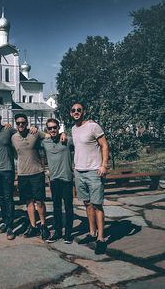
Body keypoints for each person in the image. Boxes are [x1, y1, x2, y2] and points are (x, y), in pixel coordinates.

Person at [70, 102, 109, 255]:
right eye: (73, 110)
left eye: (79, 110)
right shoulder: (73, 129)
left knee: (97, 205)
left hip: (94, 172)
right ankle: (92, 233)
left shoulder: (93, 126)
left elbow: (104, 145)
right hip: (79, 172)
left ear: (84, 112)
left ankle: (101, 239)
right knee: (87, 204)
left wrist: (104, 165)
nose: (76, 112)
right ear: (70, 113)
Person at [11, 113, 51, 241]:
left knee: (39, 201)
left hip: (37, 172)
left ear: (27, 123)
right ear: (15, 124)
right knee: (28, 202)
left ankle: (43, 225)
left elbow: (49, 136)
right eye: (18, 123)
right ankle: (33, 226)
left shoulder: (35, 133)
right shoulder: (13, 137)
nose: (21, 125)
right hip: (23, 174)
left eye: (23, 123)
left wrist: (38, 129)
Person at [41, 118, 74, 244]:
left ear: (58, 128)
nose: (53, 130)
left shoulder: (67, 140)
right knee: (56, 208)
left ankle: (69, 234)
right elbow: (34, 136)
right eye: (50, 128)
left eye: (55, 127)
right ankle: (58, 232)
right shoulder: (45, 142)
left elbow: (82, 145)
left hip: (66, 179)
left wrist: (64, 133)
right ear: (47, 130)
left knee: (68, 207)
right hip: (54, 179)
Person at [0, 109, 17, 240]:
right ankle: (5, 222)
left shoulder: (8, 130)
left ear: (0, 118)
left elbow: (21, 134)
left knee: (8, 197)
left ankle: (10, 226)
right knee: (1, 197)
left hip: (7, 169)